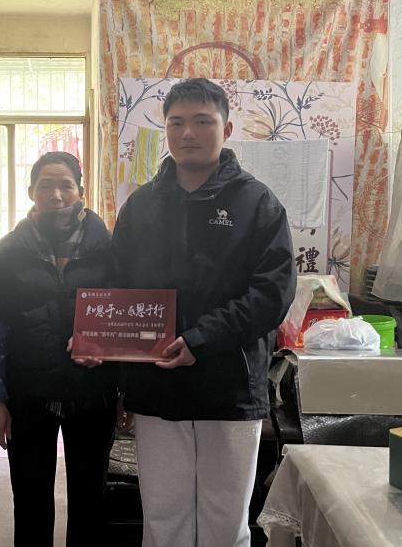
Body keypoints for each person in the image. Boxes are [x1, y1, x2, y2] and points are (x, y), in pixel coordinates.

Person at [112, 78, 296, 547]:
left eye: (202, 121)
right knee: (163, 517)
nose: (188, 133)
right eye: (176, 123)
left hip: (229, 388)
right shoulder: (140, 206)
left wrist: (201, 339)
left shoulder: (257, 203)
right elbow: (118, 289)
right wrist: (103, 344)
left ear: (227, 128)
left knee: (225, 522)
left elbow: (273, 293)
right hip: (156, 389)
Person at [0, 151, 117, 547]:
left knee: (90, 498)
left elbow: (124, 315)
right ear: (31, 192)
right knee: (30, 497)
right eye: (45, 186)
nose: (55, 195)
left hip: (93, 392)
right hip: (29, 393)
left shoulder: (107, 248)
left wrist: (125, 388)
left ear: (81, 192)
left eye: (65, 186)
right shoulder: (8, 251)